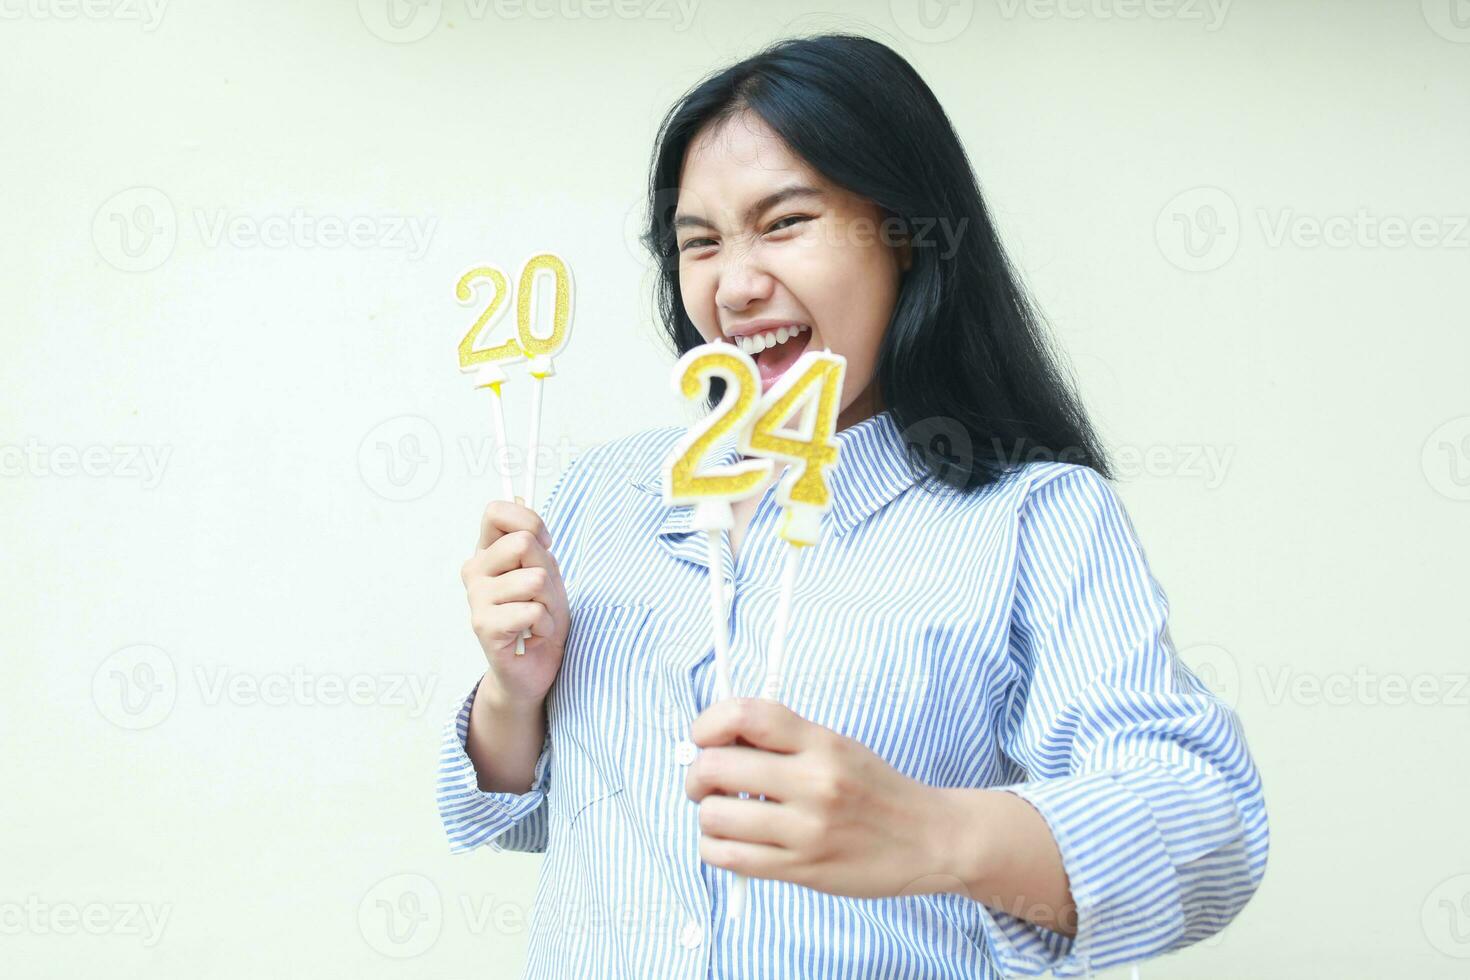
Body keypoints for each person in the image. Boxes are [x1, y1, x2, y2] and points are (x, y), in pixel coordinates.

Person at [439, 32, 1268, 980]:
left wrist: (930, 831)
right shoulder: (604, 493)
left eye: (785, 221)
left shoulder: (1036, 518)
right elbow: (531, 817)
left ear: (905, 236)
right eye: (699, 241)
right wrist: (515, 695)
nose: (736, 284)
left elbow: (1210, 830)